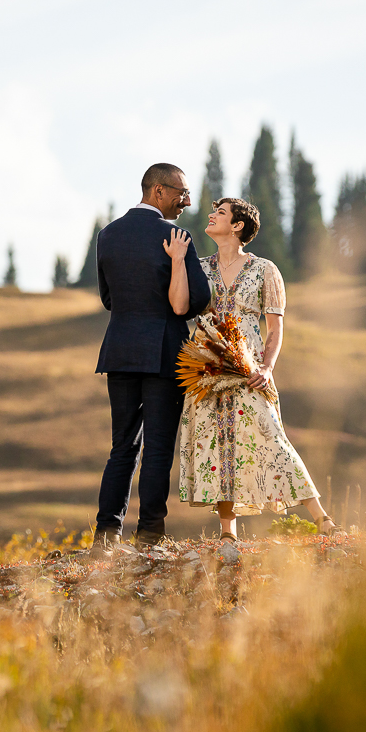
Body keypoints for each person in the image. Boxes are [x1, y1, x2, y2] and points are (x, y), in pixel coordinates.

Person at [176, 197, 339, 539]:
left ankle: (322, 518)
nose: (211, 215)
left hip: (249, 369)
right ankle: (227, 533)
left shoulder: (265, 270)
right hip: (207, 369)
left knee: (272, 438)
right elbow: (181, 308)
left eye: (219, 213)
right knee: (216, 445)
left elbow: (275, 328)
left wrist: (266, 367)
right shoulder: (200, 267)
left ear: (237, 226)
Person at [91, 163, 211, 553]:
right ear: (158, 191)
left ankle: (106, 534)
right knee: (158, 446)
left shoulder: (107, 235)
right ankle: (149, 535)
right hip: (164, 352)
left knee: (122, 446)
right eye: (181, 192)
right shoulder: (174, 235)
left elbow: (108, 299)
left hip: (120, 350)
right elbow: (196, 301)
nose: (187, 201)